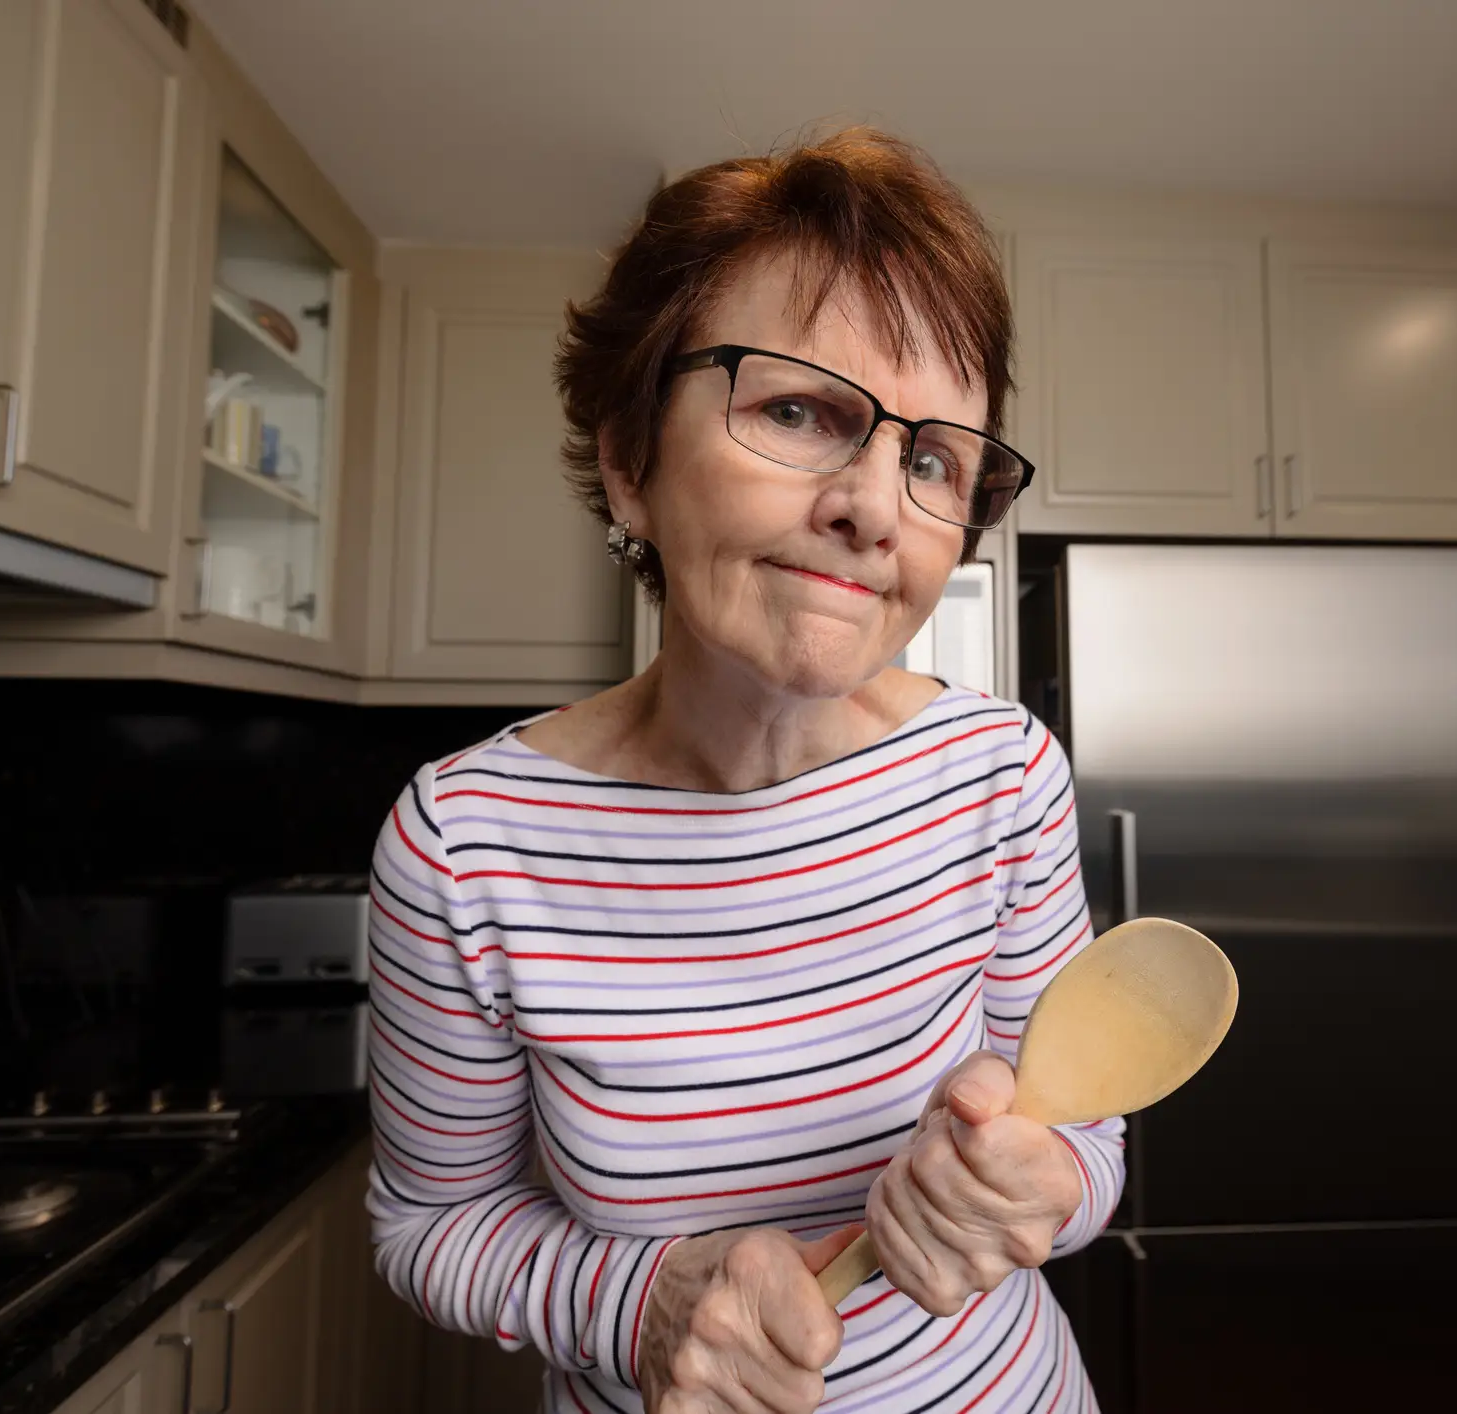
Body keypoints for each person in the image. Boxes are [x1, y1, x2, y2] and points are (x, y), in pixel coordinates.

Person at [365, 127, 1123, 1414]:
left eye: (933, 458)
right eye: (795, 409)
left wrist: (1042, 1181)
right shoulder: (466, 843)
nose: (877, 507)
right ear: (627, 459)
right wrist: (638, 1301)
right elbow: (427, 1221)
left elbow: (1086, 1140)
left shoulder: (999, 779)